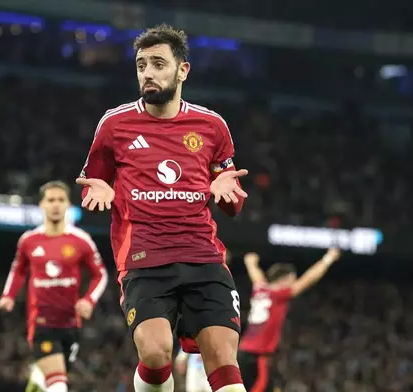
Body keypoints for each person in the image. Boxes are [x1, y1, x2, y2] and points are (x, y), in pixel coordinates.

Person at [76, 24, 249, 392]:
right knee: (156, 354)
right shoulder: (115, 124)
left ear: (182, 70)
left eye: (158, 63)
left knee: (222, 357)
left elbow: (232, 200)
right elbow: (94, 187)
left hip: (203, 257)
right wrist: (99, 191)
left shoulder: (212, 126)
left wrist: (227, 191)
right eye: (141, 65)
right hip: (144, 259)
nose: (148, 73)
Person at [0, 181, 108, 392]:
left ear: (67, 204)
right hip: (41, 324)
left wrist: (88, 300)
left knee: (45, 381)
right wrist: (8, 295)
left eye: (60, 200)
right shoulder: (29, 241)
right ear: (42, 205)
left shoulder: (81, 240)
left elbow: (100, 274)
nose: (56, 205)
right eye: (50, 200)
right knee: (58, 385)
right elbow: (18, 270)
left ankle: (36, 380)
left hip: (70, 325)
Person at [238, 249, 341, 392]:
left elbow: (257, 277)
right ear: (284, 279)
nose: (293, 283)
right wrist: (328, 259)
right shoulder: (279, 294)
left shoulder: (260, 290)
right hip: (257, 357)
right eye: (292, 279)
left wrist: (250, 263)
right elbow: (308, 279)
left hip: (244, 353)